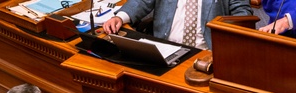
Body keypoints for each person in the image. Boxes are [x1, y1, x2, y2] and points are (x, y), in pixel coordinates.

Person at [103, 0, 252, 50]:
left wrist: (228, 44)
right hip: (164, 48)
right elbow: (142, 1)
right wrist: (120, 17)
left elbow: (242, 12)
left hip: (206, 53)